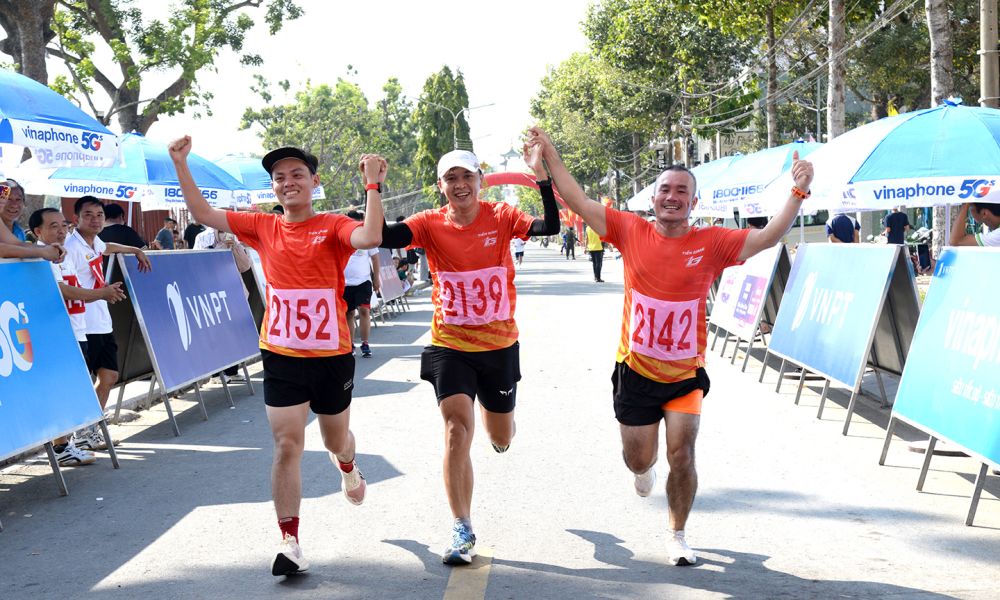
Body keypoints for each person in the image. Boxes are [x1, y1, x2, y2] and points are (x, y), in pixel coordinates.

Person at [529, 127, 814, 567]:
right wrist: (549, 152)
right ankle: (643, 470)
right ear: (653, 198)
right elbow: (579, 201)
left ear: (694, 203)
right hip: (636, 371)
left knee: (683, 453)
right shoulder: (630, 229)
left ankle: (677, 533)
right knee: (637, 458)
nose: (673, 196)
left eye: (682, 191)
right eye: (666, 189)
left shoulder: (712, 242)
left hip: (684, 374)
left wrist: (798, 192)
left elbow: (768, 236)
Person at [169, 135, 385, 577]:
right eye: (280, 177)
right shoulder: (262, 226)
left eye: (297, 175)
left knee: (335, 441)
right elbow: (203, 214)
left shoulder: (333, 225)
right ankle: (290, 541)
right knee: (287, 444)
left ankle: (348, 466)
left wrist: (372, 185)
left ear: (314, 182)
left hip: (330, 355)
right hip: (281, 353)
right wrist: (180, 164)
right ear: (273, 187)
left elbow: (370, 236)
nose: (288, 182)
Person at [380, 145, 559, 566]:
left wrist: (542, 176)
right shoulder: (429, 223)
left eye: (467, 177)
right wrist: (374, 186)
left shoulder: (501, 216)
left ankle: (500, 427)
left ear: (480, 181)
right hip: (450, 345)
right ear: (440, 186)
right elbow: (383, 236)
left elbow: (549, 225)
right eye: (451, 179)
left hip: (498, 346)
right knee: (456, 432)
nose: (460, 185)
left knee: (500, 435)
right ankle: (462, 527)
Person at [30, 208, 128, 466]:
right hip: (59, 333)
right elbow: (63, 290)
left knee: (79, 387)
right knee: (66, 389)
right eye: (53, 226)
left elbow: (77, 284)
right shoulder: (41, 258)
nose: (61, 231)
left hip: (78, 328)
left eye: (63, 225)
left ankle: (73, 440)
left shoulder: (62, 253)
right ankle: (61, 446)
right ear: (37, 232)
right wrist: (101, 294)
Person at [65, 196, 150, 452]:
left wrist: (134, 250)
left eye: (99, 215)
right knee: (82, 382)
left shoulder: (95, 242)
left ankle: (88, 430)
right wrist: (102, 293)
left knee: (109, 376)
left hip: (101, 321)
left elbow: (107, 247)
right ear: (76, 218)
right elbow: (67, 288)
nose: (95, 220)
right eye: (88, 215)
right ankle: (76, 434)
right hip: (82, 324)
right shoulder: (70, 246)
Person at [342, 210, 381, 358]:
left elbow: (375, 258)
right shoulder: (342, 236)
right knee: (349, 313)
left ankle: (365, 343)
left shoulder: (366, 236)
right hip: (345, 283)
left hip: (363, 281)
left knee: (364, 311)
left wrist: (376, 278)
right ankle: (350, 344)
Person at [0, 182, 65, 261]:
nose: (14, 205)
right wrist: (42, 252)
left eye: (18, 199)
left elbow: (17, 244)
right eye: (6, 198)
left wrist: (48, 248)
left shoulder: (19, 231)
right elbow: (2, 250)